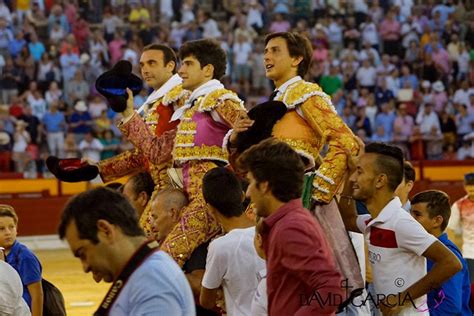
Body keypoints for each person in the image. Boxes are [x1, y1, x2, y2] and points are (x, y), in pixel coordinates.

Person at [229, 31, 362, 299]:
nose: (267, 55)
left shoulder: (306, 94)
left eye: (275, 50)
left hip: (298, 197)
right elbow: (243, 167)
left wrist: (317, 187)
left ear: (297, 59)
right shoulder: (273, 104)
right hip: (266, 197)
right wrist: (235, 137)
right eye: (265, 51)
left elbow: (347, 141)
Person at [123, 39, 245, 267]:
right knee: (139, 250)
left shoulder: (219, 99)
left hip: (206, 196)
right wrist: (129, 114)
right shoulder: (191, 108)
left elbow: (250, 130)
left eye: (188, 64)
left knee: (168, 255)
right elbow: (157, 151)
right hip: (181, 192)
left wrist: (236, 142)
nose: (181, 71)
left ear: (207, 70)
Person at [338, 142, 462, 315]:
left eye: (360, 172)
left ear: (380, 180)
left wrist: (401, 298)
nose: (354, 179)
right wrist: (349, 174)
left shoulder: (401, 223)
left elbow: (451, 263)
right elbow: (349, 220)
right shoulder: (375, 222)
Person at [238, 139, 344, 315]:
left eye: (250, 182)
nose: (248, 192)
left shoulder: (291, 227)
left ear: (264, 186)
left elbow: (331, 288)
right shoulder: (287, 223)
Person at [57, 187, 195, 315]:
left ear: (105, 230)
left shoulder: (152, 279)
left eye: (83, 253)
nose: (85, 267)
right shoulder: (145, 272)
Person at [200, 167, 264, 316]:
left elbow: (206, 301)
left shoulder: (220, 247)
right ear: (242, 196)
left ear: (210, 208)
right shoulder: (269, 230)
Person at [150, 188, 218, 316]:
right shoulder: (166, 245)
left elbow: (199, 284)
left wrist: (167, 272)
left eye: (155, 217)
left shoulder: (194, 241)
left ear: (173, 213)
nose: (151, 224)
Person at [410, 190, 471, 315]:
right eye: (410, 214)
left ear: (437, 221)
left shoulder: (448, 255)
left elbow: (450, 306)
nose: (410, 220)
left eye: (417, 215)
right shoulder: (421, 248)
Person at [0, 205, 43, 316]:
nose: (8, 232)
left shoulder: (25, 257)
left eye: (12, 227)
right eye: (1, 229)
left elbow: (37, 295)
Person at [448, 172, 474, 282]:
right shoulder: (459, 205)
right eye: (469, 187)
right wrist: (454, 251)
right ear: (464, 186)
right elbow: (450, 229)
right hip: (469, 252)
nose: (472, 190)